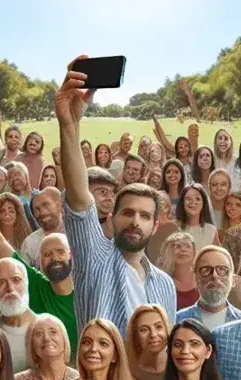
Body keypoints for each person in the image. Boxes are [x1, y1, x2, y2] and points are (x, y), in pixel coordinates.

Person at [57, 61, 176, 336]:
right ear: (112, 217)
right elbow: (78, 196)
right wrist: (69, 124)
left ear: (155, 226)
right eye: (128, 213)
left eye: (145, 216)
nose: (135, 221)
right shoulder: (94, 255)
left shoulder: (165, 285)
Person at [176, 245, 241, 331]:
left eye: (221, 269)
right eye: (205, 270)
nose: (214, 275)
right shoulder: (177, 321)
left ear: (234, 280)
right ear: (194, 278)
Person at [126, 304, 170, 380]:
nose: (153, 334)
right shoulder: (127, 372)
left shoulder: (180, 365)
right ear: (136, 337)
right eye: (144, 330)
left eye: (158, 327)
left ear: (167, 329)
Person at [18, 188, 64, 269]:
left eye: (46, 205)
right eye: (37, 209)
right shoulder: (30, 243)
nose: (42, 212)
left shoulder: (76, 234)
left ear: (60, 204)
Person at [159, 232, 200, 311]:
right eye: (177, 246)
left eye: (187, 246)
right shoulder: (162, 282)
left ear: (194, 251)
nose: (183, 249)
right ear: (169, 252)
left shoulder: (203, 279)